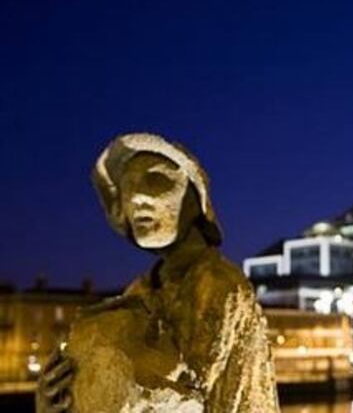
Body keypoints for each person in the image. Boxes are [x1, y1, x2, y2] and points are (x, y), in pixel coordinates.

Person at [36, 133, 280, 413]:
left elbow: (183, 400)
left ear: (193, 197)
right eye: (128, 187)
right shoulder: (140, 291)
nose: (138, 197)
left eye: (157, 180)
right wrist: (59, 399)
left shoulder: (219, 286)